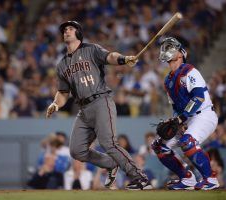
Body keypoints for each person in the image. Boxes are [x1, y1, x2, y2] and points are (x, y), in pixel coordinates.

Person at [46, 21, 151, 190]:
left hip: (100, 101)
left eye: (70, 29)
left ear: (78, 32)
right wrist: (55, 104)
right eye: (64, 29)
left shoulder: (91, 49)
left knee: (108, 142)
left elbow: (110, 57)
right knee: (76, 150)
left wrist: (124, 59)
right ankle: (111, 164)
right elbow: (63, 92)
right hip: (83, 109)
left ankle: (140, 178)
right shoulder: (62, 65)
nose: (66, 31)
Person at [151, 37, 219, 190]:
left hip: (204, 115)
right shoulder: (168, 80)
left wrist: (182, 118)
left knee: (187, 142)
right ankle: (187, 178)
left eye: (171, 47)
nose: (167, 50)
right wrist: (178, 120)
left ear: (181, 53)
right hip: (187, 118)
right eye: (166, 48)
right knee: (158, 146)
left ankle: (210, 179)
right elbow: (176, 106)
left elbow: (199, 97)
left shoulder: (190, 71)